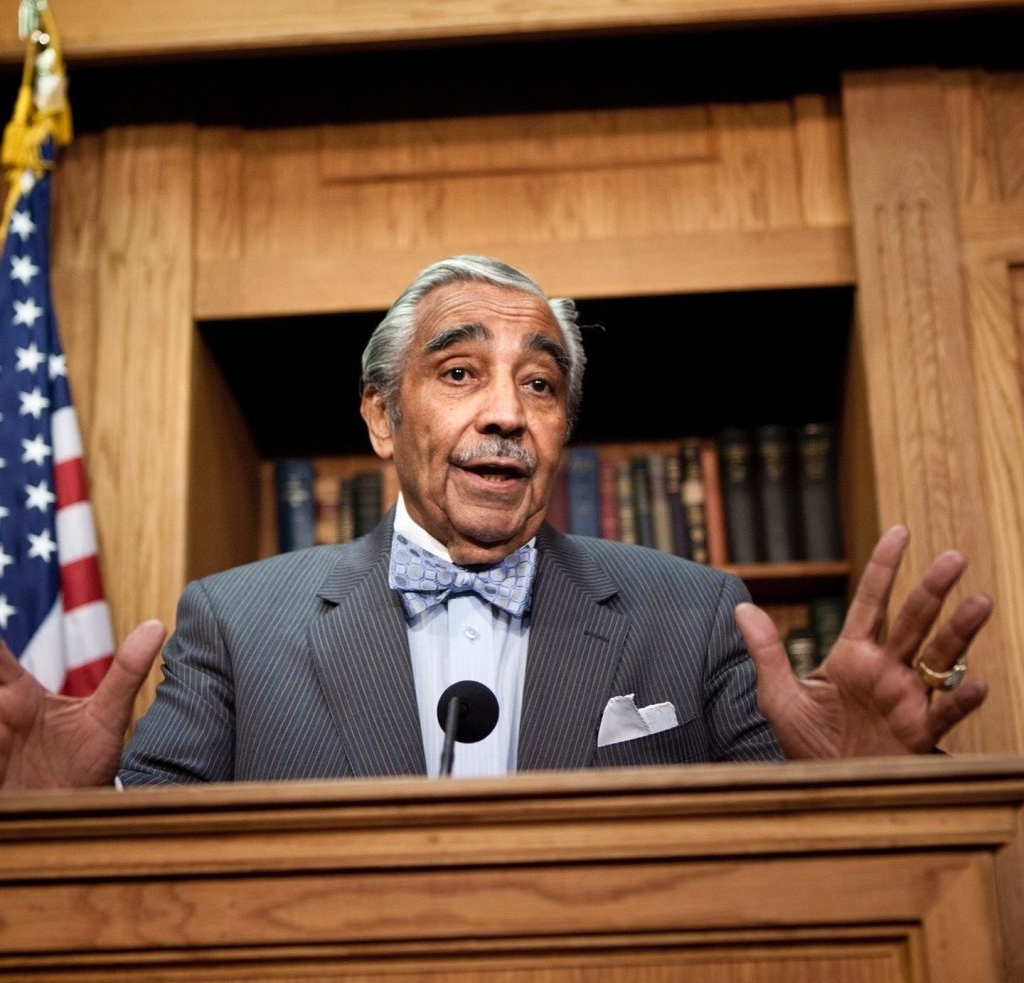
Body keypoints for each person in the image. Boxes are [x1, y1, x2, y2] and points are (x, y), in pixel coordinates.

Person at [0, 256, 992, 788]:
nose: (508, 413)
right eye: (460, 372)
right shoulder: (234, 623)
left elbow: (797, 876)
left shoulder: (696, 615)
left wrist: (862, 792)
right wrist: (59, 820)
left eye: (541, 385)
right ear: (382, 417)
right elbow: (150, 869)